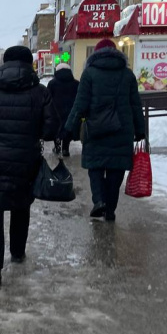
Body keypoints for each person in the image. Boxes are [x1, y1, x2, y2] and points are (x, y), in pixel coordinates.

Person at [0, 46, 58, 286]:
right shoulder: (40, 92)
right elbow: (50, 131)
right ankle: (17, 252)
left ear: (4, 64)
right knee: (20, 205)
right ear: (29, 64)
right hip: (25, 161)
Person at [65, 39, 145, 222]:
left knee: (96, 167)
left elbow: (80, 105)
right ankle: (110, 209)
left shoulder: (89, 74)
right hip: (122, 130)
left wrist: (70, 128)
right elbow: (135, 105)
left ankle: (99, 200)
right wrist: (140, 130)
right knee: (116, 170)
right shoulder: (127, 75)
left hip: (96, 129)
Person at [46, 63, 80, 157]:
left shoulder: (52, 83)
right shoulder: (76, 83)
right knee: (68, 128)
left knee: (57, 128)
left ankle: (57, 146)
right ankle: (65, 148)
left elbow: (48, 97)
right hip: (71, 110)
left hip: (56, 110)